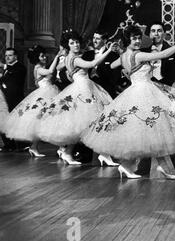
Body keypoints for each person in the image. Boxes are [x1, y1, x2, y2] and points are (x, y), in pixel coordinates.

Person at [82, 25, 175, 180]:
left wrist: (127, 69)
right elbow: (164, 54)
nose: (138, 41)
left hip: (135, 92)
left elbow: (112, 66)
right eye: (134, 38)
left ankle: (160, 166)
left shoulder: (123, 56)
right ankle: (128, 166)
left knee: (152, 131)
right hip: (145, 93)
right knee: (159, 128)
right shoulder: (138, 55)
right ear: (128, 40)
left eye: (139, 38)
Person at [36, 30, 119, 166]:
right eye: (72, 43)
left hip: (82, 87)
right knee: (93, 122)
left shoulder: (69, 58)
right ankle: (103, 155)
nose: (76, 45)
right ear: (68, 45)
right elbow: (92, 64)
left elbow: (59, 67)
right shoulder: (75, 58)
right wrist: (109, 50)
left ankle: (71, 153)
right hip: (84, 90)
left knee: (86, 125)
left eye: (77, 42)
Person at [134, 21, 175, 179]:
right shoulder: (142, 52)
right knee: (148, 129)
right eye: (153, 31)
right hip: (147, 95)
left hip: (165, 96)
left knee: (170, 131)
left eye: (159, 31)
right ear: (149, 34)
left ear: (164, 33)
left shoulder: (172, 50)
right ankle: (143, 168)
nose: (156, 34)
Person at [4, 45, 60, 157]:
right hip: (45, 95)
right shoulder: (38, 68)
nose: (44, 58)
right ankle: (36, 147)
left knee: (51, 121)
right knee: (43, 122)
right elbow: (50, 71)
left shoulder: (40, 67)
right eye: (42, 56)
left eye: (44, 56)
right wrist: (57, 56)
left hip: (48, 93)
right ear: (37, 58)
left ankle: (36, 147)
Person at [0, 48, 28, 152]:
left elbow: (16, 73)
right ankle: (9, 145)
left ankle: (22, 145)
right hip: (5, 99)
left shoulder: (20, 67)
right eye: (6, 55)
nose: (7, 57)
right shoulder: (7, 69)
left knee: (17, 123)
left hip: (15, 100)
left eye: (10, 55)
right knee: (4, 122)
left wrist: (3, 66)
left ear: (15, 56)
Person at [84, 31, 122, 98]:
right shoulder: (87, 54)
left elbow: (116, 76)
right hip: (88, 91)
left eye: (97, 39)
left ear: (104, 41)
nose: (94, 41)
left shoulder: (113, 56)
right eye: (94, 38)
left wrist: (106, 89)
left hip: (106, 92)